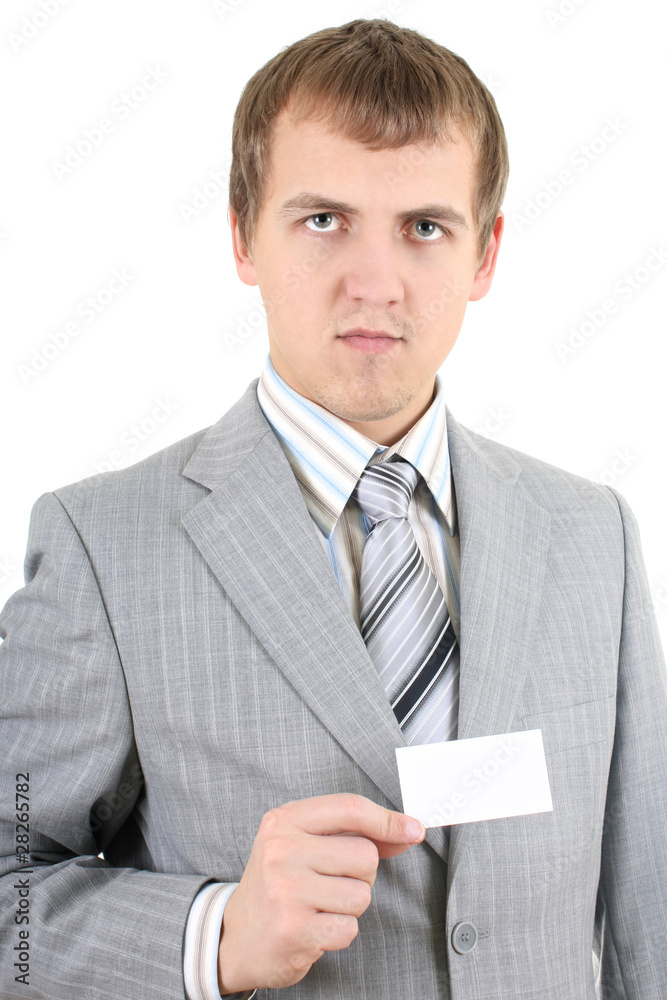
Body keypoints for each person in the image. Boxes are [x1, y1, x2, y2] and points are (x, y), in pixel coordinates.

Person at [1, 17, 666, 1000]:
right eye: (322, 220)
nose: (374, 284)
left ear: (484, 257)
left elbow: (645, 916)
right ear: (241, 235)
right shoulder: (104, 544)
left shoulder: (591, 532)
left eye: (424, 228)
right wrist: (212, 932)